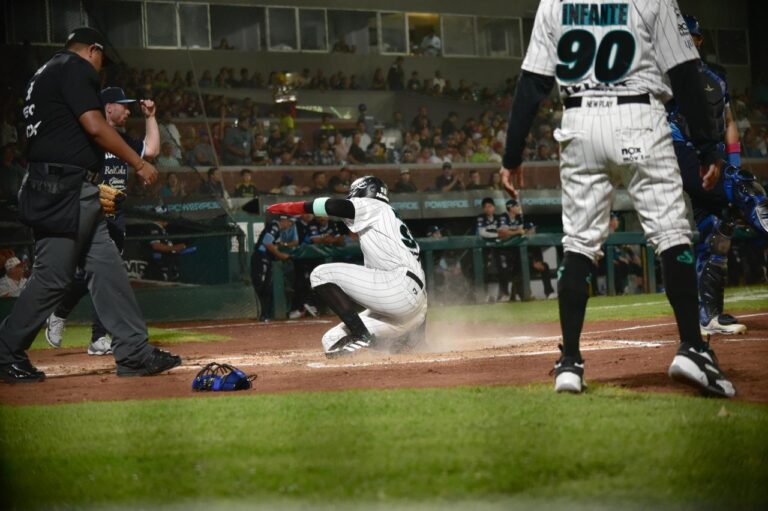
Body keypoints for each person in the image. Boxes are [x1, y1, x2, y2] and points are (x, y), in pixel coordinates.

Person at [499, 1, 733, 397]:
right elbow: (684, 73)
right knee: (671, 232)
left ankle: (570, 362)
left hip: (579, 123)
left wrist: (512, 155)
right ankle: (692, 347)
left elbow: (533, 82)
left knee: (578, 244)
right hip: (639, 115)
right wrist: (709, 145)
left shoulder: (554, 3)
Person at [0, 27, 180, 383]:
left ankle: (134, 352)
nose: (101, 70)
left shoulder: (45, 72)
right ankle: (5, 351)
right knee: (53, 277)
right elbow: (94, 126)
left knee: (108, 267)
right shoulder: (75, 66)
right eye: (101, 61)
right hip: (64, 187)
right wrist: (138, 162)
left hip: (64, 185)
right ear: (92, 50)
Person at [668, 15, 768, 336]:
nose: (690, 43)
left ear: (699, 41)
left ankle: (709, 316)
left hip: (714, 158)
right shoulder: (666, 76)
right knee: (747, 191)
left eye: (694, 38)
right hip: (683, 152)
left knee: (718, 227)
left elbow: (727, 122)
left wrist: (732, 162)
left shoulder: (717, 78)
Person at [45, 86, 161, 356]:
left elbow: (152, 151)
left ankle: (96, 335)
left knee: (105, 276)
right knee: (91, 274)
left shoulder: (121, 141)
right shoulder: (88, 137)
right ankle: (65, 314)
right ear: (109, 107)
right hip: (90, 213)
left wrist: (151, 116)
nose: (128, 109)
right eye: (124, 105)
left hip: (115, 217)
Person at [266, 176, 427, 356]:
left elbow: (333, 206)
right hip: (411, 309)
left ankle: (361, 335)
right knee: (331, 341)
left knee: (320, 274)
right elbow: (418, 290)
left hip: (396, 290)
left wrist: (294, 208)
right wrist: (419, 331)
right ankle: (390, 347)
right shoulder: (390, 220)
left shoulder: (374, 205)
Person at [251, 215, 297, 322]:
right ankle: (262, 313)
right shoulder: (274, 226)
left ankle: (265, 314)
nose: (290, 225)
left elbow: (273, 245)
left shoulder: (278, 231)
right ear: (284, 220)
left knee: (267, 286)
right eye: (289, 222)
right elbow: (267, 242)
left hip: (266, 258)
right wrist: (280, 255)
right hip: (261, 257)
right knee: (261, 284)